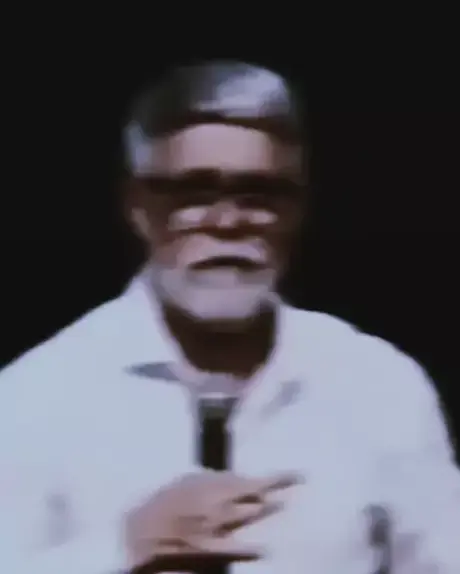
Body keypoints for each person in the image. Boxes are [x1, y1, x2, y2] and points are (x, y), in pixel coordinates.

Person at [0, 61, 458, 574]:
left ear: (299, 208)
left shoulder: (381, 384)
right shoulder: (37, 396)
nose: (227, 221)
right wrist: (120, 550)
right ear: (138, 207)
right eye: (193, 194)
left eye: (260, 195)